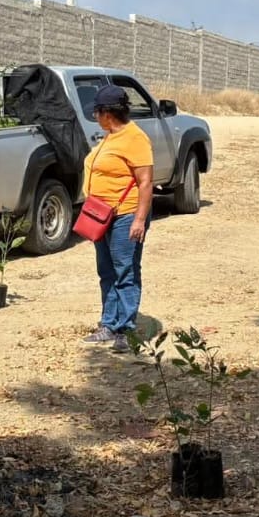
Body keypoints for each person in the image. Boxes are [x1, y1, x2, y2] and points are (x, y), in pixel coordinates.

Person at [82, 83, 154, 349]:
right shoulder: (110, 137)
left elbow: (145, 182)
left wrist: (139, 220)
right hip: (101, 215)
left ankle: (126, 330)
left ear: (107, 113)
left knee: (125, 270)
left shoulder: (135, 138)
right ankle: (109, 324)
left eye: (97, 112)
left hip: (126, 215)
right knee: (107, 271)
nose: (95, 117)